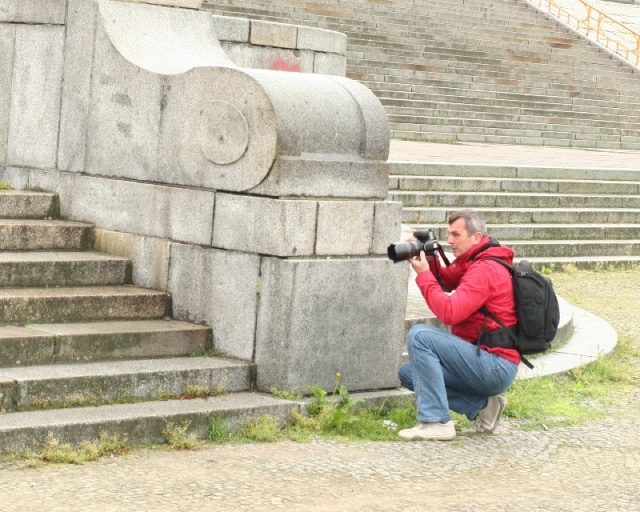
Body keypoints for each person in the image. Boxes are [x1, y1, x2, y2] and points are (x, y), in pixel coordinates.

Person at [398, 210, 520, 441]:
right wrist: (430, 256)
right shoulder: (478, 258)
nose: (450, 240)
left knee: (420, 335)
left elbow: (449, 312)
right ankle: (484, 406)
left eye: (456, 234)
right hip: (483, 359)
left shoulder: (485, 269)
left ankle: (437, 421)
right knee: (409, 374)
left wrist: (423, 275)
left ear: (475, 237)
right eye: (448, 234)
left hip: (494, 365)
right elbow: (445, 281)